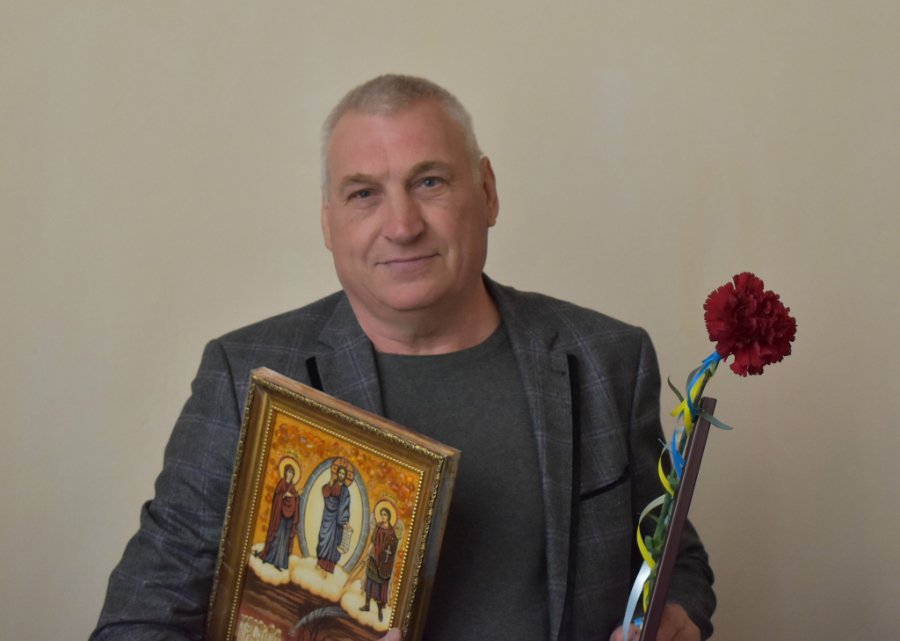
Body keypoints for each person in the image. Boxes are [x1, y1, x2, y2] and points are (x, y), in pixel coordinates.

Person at [91, 74, 715, 641]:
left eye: (429, 182)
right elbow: (137, 623)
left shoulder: (606, 360)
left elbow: (673, 556)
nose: (402, 225)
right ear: (328, 222)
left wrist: (676, 614)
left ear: (488, 191)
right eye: (364, 193)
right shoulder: (246, 377)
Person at [257, 462, 301, 570]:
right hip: (280, 516)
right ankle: (269, 557)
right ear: (285, 472)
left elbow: (295, 498)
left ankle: (279, 562)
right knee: (277, 536)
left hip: (289, 518)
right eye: (289, 472)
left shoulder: (292, 486)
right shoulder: (281, 483)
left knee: (285, 539)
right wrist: (284, 495)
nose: (290, 475)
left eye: (292, 473)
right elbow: (277, 497)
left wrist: (296, 496)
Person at [360, 506, 400, 622]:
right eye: (381, 514)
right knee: (369, 582)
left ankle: (379, 611)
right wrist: (368, 554)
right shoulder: (378, 526)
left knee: (378, 585)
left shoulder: (391, 532)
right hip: (373, 558)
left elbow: (392, 547)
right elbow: (373, 541)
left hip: (382, 563)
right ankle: (367, 605)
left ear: (389, 516)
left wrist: (385, 559)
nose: (383, 517)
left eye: (385, 514)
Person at [315, 460, 352, 573]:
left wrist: (344, 521)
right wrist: (330, 484)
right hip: (328, 518)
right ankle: (320, 564)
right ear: (337, 473)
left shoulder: (345, 491)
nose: (341, 475)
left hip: (338, 522)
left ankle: (328, 568)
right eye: (339, 473)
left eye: (343, 474)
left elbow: (345, 506)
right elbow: (325, 493)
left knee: (334, 543)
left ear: (345, 476)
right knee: (325, 539)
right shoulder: (332, 483)